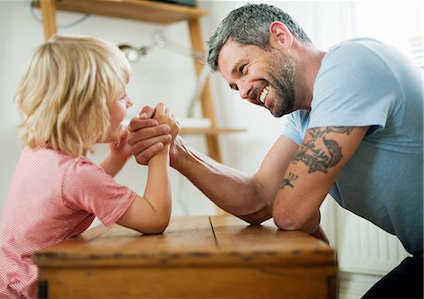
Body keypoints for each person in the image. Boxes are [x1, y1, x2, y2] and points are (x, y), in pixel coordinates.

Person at [126, 3, 423, 298]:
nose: (243, 92)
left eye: (243, 70)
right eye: (234, 86)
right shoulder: (304, 116)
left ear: (280, 36)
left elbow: (290, 214)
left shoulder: (350, 64)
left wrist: (301, 215)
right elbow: (258, 198)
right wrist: (175, 149)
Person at [0, 35, 178, 298]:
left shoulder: (39, 153)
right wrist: (160, 149)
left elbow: (71, 197)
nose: (129, 101)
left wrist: (116, 160)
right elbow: (154, 218)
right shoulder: (76, 176)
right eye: (121, 95)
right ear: (88, 108)